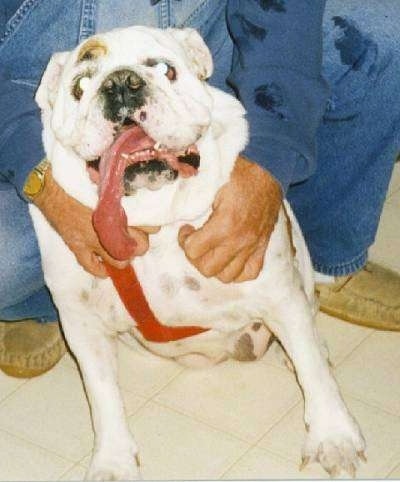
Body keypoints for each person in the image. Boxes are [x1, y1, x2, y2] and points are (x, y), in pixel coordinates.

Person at [0, 0, 399, 378]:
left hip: (202, 37)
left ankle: (325, 256)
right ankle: (48, 303)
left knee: (382, 34)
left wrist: (269, 159)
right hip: (38, 93)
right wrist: (43, 185)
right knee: (7, 261)